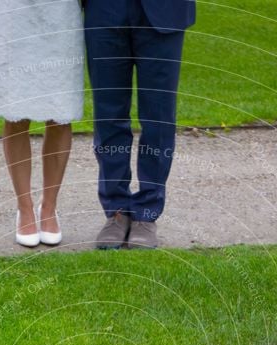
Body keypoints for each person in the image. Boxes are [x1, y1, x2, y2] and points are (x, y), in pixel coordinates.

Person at [0, 0, 85, 247]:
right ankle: (25, 208)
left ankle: (49, 208)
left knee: (60, 113)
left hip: (61, 18)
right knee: (15, 113)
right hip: (14, 18)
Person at [84, 0, 196, 249]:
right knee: (108, 113)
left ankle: (147, 211)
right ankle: (116, 209)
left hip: (164, 11)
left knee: (158, 116)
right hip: (105, 10)